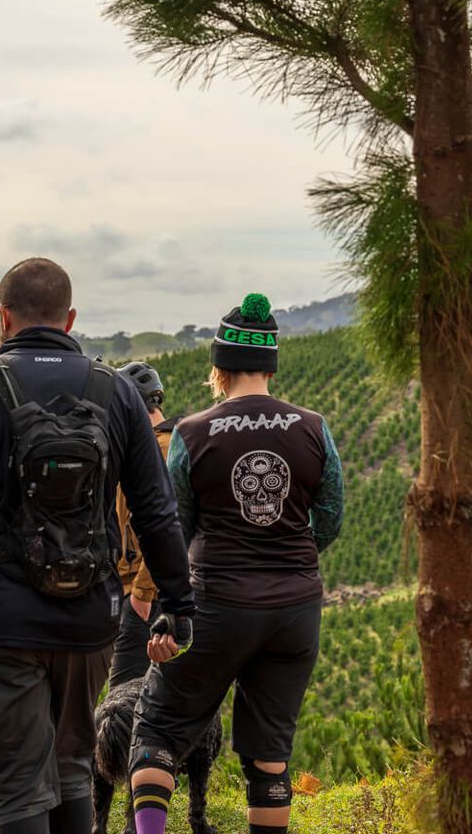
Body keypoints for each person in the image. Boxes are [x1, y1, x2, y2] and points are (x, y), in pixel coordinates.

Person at [0, 257, 195, 834]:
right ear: (70, 319)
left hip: (2, 619)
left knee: (16, 787)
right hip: (90, 619)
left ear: (1, 317)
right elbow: (157, 511)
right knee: (72, 769)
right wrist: (178, 606)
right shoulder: (117, 391)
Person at [126, 293, 343, 834]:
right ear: (271, 366)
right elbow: (331, 519)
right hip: (294, 611)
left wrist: (172, 609)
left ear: (218, 369)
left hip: (215, 604)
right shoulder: (314, 428)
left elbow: (171, 530)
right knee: (270, 756)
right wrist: (287, 559)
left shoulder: (192, 433)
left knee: (157, 729)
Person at [109, 360, 181, 688]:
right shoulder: (163, 443)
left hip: (148, 597)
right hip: (152, 592)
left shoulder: (159, 448)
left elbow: (169, 524)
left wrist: (141, 592)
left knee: (123, 697)